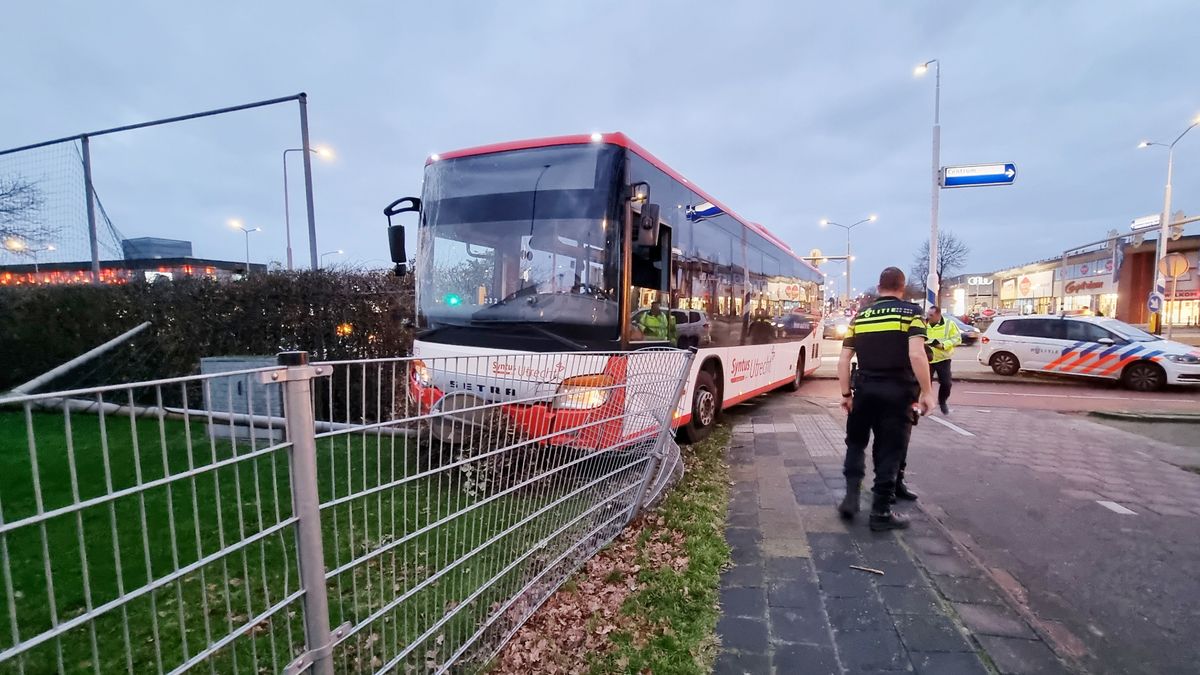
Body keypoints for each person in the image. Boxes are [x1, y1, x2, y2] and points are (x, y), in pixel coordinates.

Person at [837, 267, 936, 531]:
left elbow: (845, 358)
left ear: (879, 287)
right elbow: (917, 354)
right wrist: (927, 391)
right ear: (901, 287)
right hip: (898, 392)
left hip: (865, 390)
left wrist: (847, 394)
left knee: (856, 444)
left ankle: (850, 498)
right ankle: (880, 513)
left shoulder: (861, 316)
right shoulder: (912, 313)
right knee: (889, 450)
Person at [925, 305, 961, 415]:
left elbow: (957, 339)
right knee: (925, 384)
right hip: (926, 359)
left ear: (938, 315)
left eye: (931, 315)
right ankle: (925, 405)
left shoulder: (949, 324)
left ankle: (942, 402)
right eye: (928, 314)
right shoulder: (923, 324)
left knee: (946, 383)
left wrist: (943, 345)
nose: (928, 317)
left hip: (943, 359)